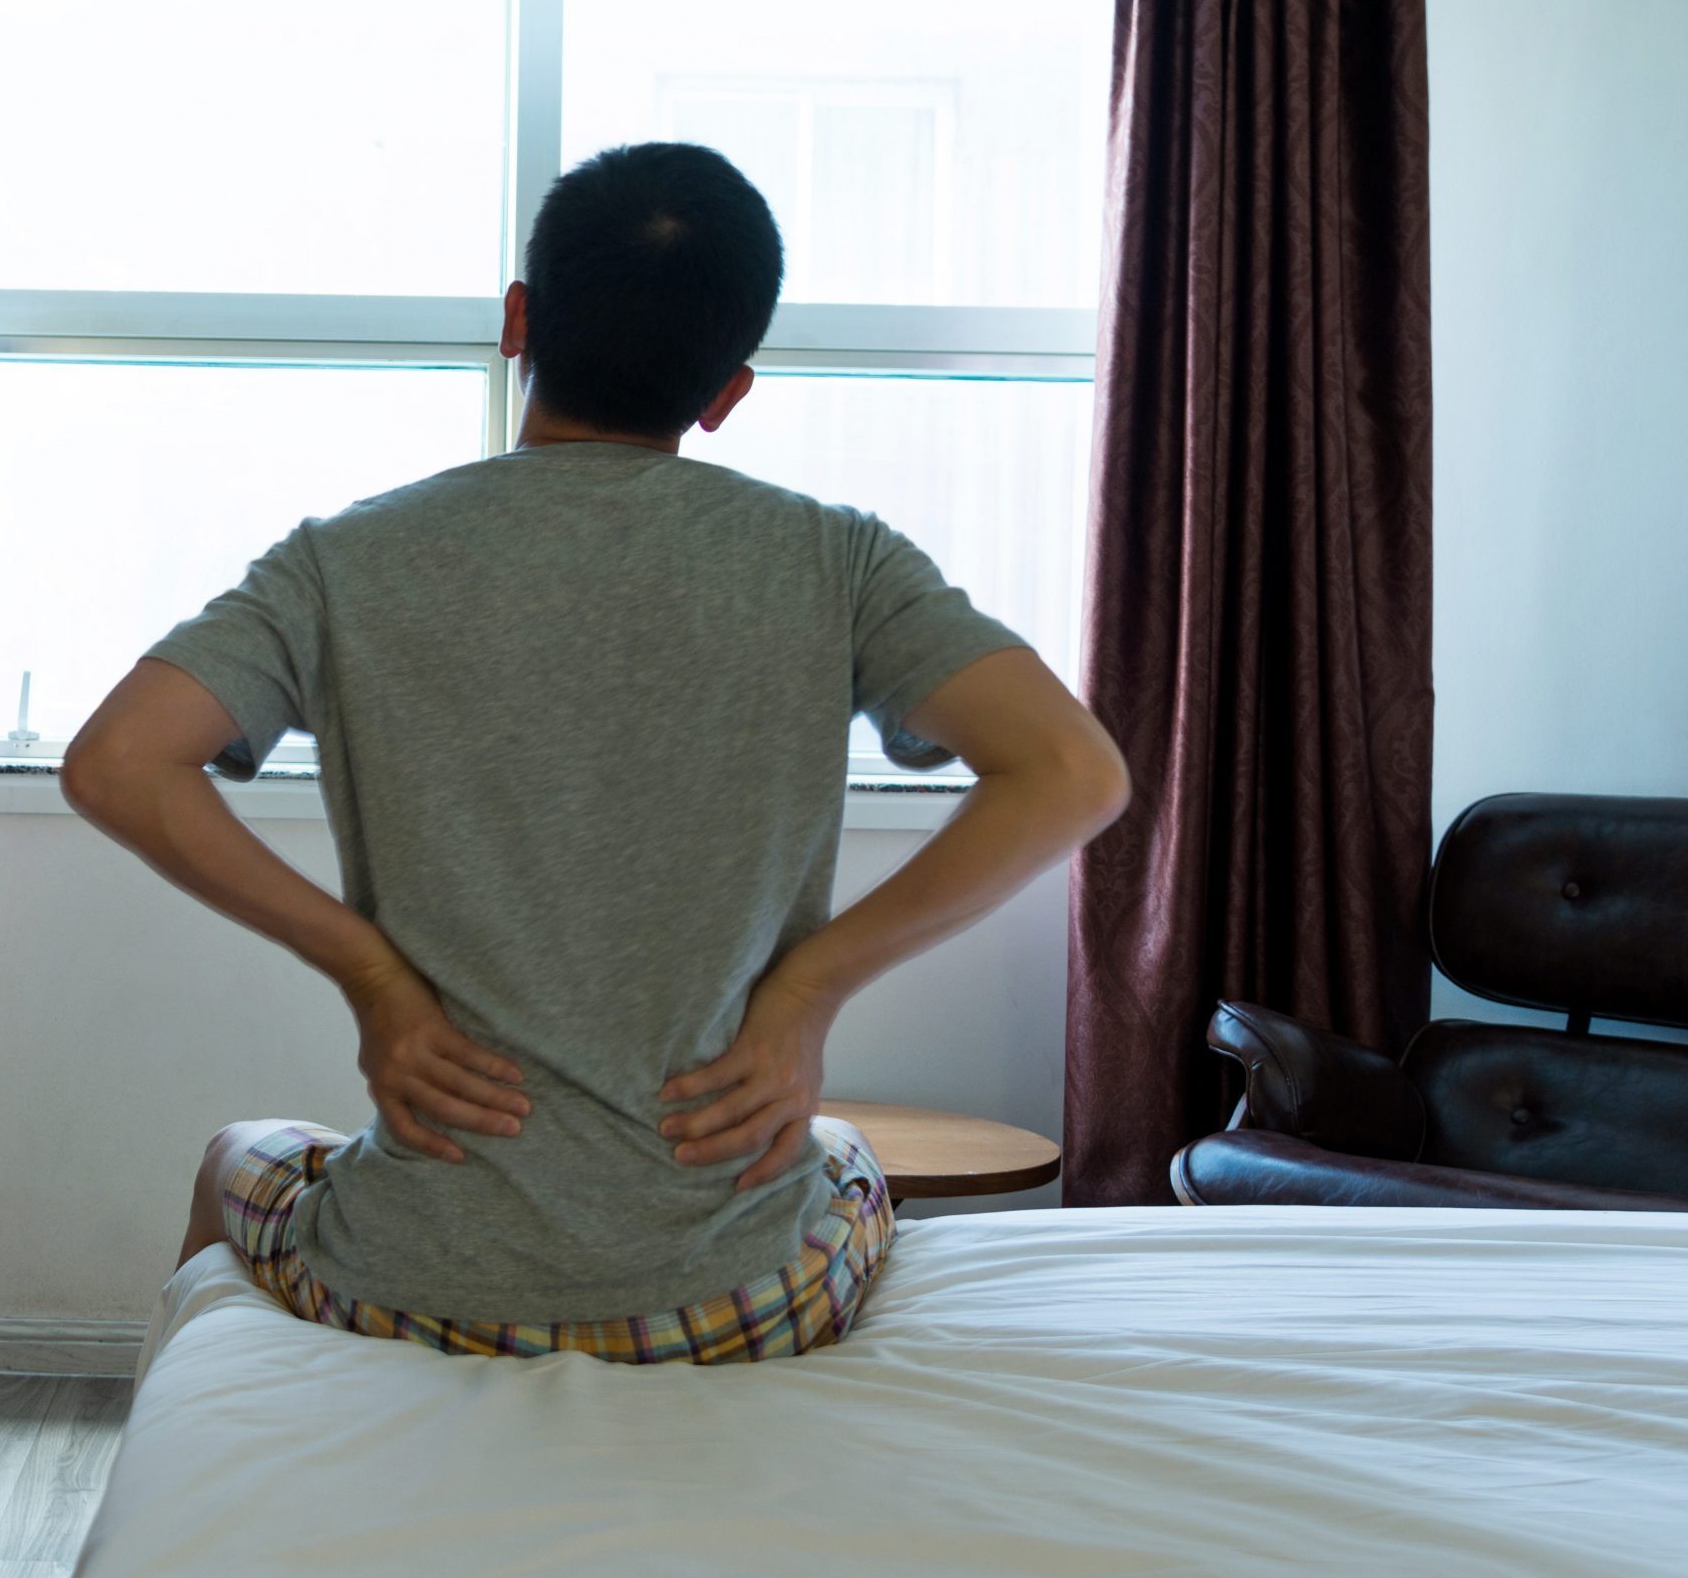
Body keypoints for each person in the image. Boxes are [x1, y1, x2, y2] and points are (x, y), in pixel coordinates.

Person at [61, 141, 1130, 1363]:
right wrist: (807, 993)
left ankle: (202, 1429)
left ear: (519, 321)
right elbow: (1073, 771)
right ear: (728, 389)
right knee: (838, 1153)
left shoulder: (343, 564)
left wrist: (374, 981)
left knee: (233, 1154)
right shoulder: (838, 563)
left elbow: (115, 764)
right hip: (739, 1305)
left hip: (418, 1284)